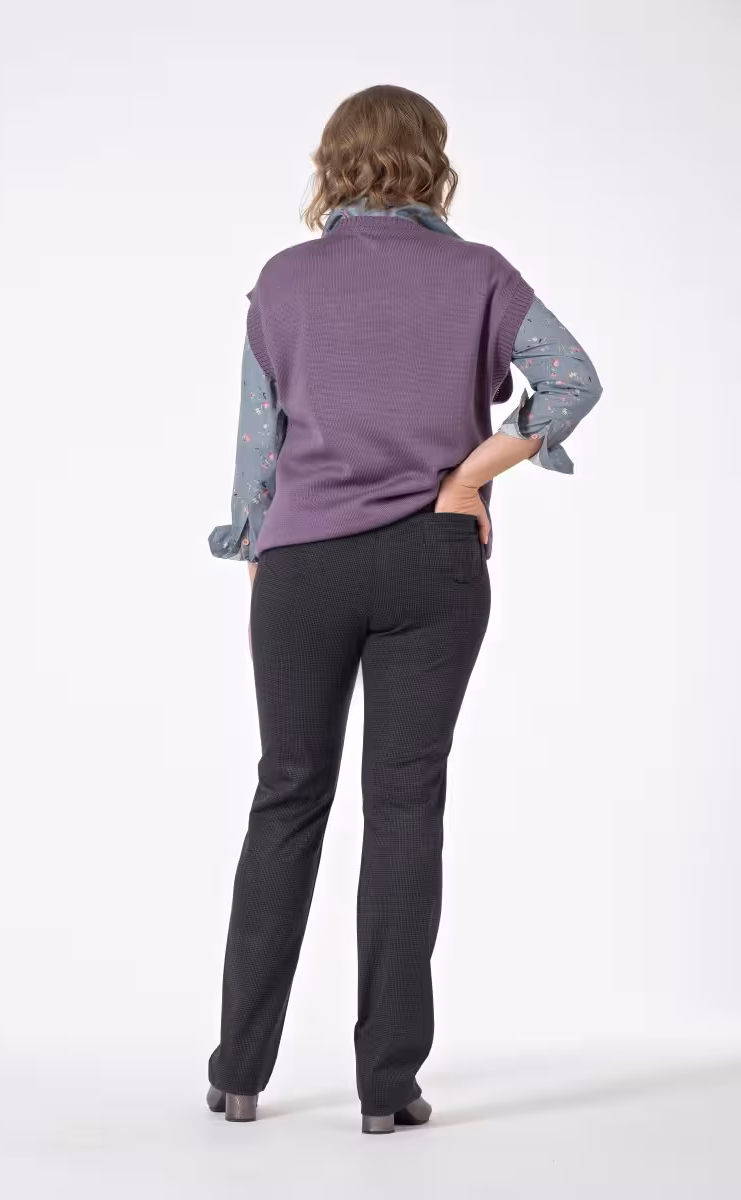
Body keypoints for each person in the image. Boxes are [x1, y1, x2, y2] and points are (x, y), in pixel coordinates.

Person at [206, 84, 602, 1134]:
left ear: (332, 161)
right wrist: (469, 476)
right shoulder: (480, 274)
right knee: (403, 807)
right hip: (433, 561)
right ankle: (386, 1088)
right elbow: (571, 381)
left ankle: (238, 1073)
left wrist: (256, 544)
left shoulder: (283, 282)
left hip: (303, 569)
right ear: (432, 162)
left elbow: (258, 440)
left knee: (286, 796)